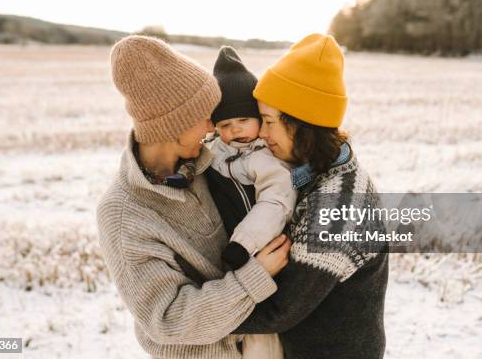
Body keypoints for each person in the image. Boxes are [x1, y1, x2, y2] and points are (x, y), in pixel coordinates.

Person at [96, 35, 290, 359]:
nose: (211, 125)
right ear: (174, 123)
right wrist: (254, 277)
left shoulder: (206, 165)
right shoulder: (123, 214)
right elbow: (169, 319)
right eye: (204, 115)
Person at [230, 33, 389, 359]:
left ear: (301, 125)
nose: (261, 133)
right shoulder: (322, 170)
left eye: (270, 122)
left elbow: (283, 310)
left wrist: (201, 316)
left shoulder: (339, 206)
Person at [205, 46, 297, 359]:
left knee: (263, 342)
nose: (236, 130)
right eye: (225, 125)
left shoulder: (264, 159)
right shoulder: (215, 150)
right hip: (230, 267)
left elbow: (275, 202)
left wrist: (243, 244)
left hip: (258, 254)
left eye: (244, 119)